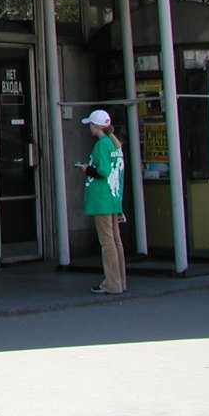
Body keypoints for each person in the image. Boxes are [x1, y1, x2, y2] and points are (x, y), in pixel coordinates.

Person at [77, 109, 126, 295]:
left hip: (102, 198)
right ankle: (120, 281)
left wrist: (87, 169)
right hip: (113, 197)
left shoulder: (101, 145)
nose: (89, 127)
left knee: (107, 242)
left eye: (90, 124)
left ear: (97, 126)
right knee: (116, 240)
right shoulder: (115, 144)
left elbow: (103, 171)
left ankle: (112, 283)